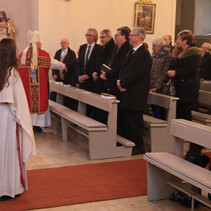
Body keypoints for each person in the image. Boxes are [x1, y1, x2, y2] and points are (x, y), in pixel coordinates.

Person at [167, 30, 204, 204]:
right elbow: (172, 65)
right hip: (178, 90)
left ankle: (191, 140)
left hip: (188, 90)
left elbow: (189, 71)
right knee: (179, 114)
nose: (176, 42)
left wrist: (176, 73)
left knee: (186, 116)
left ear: (185, 41)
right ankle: (182, 137)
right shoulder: (178, 53)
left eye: (178, 40)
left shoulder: (195, 53)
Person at [0, 38, 36, 201]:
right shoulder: (12, 73)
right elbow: (19, 102)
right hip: (7, 118)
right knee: (9, 153)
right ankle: (8, 188)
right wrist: (22, 120)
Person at [18, 30, 66, 132]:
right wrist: (63, 66)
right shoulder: (43, 55)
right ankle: (36, 125)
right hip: (39, 87)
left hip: (27, 87)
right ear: (37, 43)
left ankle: (28, 124)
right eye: (39, 43)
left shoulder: (22, 55)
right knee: (38, 102)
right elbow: (54, 63)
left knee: (28, 103)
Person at [117, 27, 152, 155]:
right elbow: (124, 69)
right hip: (127, 90)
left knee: (134, 121)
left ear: (139, 37)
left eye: (131, 35)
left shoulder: (144, 54)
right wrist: (120, 81)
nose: (129, 37)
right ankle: (128, 143)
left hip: (136, 93)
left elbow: (137, 73)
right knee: (127, 120)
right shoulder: (131, 52)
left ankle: (138, 146)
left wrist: (123, 82)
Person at [100, 27, 132, 98]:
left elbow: (120, 67)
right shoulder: (116, 48)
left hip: (117, 82)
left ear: (123, 37)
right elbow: (110, 63)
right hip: (109, 81)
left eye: (117, 35)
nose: (115, 37)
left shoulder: (127, 50)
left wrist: (107, 75)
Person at [51, 38, 78, 110]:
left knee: (66, 98)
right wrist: (54, 74)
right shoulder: (58, 52)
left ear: (68, 44)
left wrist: (65, 75)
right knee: (56, 95)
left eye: (65, 43)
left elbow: (72, 67)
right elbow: (53, 64)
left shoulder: (72, 53)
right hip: (58, 78)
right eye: (62, 43)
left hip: (67, 79)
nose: (63, 44)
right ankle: (56, 109)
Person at [149, 37, 172, 119]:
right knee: (153, 107)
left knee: (159, 108)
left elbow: (165, 73)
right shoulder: (154, 55)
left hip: (160, 87)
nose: (152, 48)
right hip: (151, 85)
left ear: (160, 46)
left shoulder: (167, 56)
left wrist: (157, 86)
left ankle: (160, 123)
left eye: (154, 46)